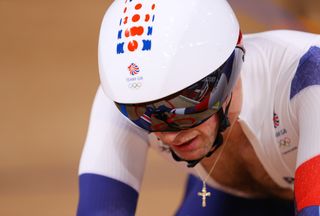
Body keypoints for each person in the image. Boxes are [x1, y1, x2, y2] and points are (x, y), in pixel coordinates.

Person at [76, 0, 320, 215]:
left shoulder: (310, 80)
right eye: (143, 114)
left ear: (228, 74)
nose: (168, 135)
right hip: (230, 195)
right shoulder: (124, 94)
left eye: (182, 106)